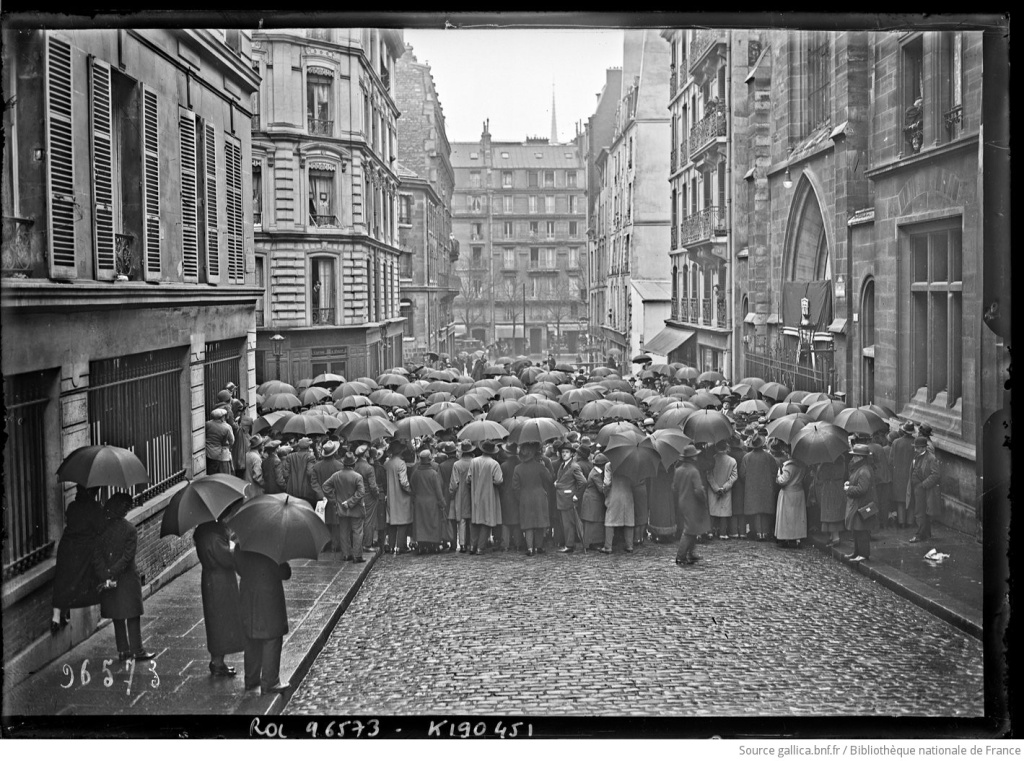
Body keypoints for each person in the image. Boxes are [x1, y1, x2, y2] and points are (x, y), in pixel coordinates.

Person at [92, 492, 154, 662]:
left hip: (108, 578)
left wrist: (106, 574)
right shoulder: (130, 530)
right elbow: (127, 558)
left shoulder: (101, 529)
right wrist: (114, 572)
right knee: (132, 614)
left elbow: (96, 555)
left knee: (117, 615)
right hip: (127, 578)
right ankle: (137, 650)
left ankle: (123, 650)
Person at [193, 509, 245, 677]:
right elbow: (227, 558)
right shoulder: (213, 537)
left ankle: (218, 661)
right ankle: (217, 662)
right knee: (220, 623)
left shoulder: (203, 532)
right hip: (220, 583)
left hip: (212, 581)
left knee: (216, 621)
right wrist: (235, 545)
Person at [234, 547, 292, 695]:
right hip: (268, 595)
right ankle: (270, 681)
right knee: (272, 636)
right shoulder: (273, 547)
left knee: (251, 636)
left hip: (248, 593)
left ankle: (251, 679)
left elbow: (238, 568)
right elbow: (285, 573)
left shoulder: (242, 544)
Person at [51, 485, 105, 634]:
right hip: (83, 550)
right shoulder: (95, 508)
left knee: (62, 579)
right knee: (82, 581)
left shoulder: (72, 506)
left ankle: (56, 616)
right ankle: (69, 609)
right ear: (92, 492)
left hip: (67, 546)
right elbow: (100, 528)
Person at [321, 451, 366, 563]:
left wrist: (334, 500)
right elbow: (361, 493)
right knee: (357, 532)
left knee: (344, 531)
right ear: (353, 464)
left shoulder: (336, 475)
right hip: (355, 508)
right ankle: (357, 556)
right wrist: (350, 502)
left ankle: (346, 554)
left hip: (341, 508)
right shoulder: (357, 476)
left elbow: (325, 487)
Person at [511, 441, 554, 556]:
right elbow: (550, 480)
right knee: (540, 522)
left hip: (525, 497)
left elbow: (515, 487)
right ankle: (539, 546)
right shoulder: (540, 466)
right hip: (540, 496)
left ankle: (530, 548)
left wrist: (520, 497)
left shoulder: (517, 468)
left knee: (528, 524)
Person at [673, 445, 709, 565]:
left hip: (682, 501)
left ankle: (691, 553)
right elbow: (698, 490)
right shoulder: (693, 471)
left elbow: (674, 488)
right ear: (693, 457)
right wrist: (703, 499)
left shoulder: (678, 470)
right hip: (693, 503)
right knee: (689, 530)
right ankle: (681, 555)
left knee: (692, 528)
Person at [844, 444, 878, 562]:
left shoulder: (863, 471)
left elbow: (862, 489)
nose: (853, 458)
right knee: (857, 529)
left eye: (855, 456)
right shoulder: (861, 468)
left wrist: (849, 489)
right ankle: (856, 552)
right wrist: (850, 484)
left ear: (860, 457)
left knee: (862, 530)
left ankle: (863, 554)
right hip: (859, 504)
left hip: (863, 504)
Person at [468, 440, 503, 555]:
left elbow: (468, 479)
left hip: (475, 494)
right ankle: (480, 547)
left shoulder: (473, 462)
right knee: (486, 521)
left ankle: (472, 546)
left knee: (475, 520)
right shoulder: (494, 464)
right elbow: (498, 480)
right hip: (489, 495)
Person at [309, 440, 344, 552]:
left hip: (322, 499)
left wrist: (321, 495)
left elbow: (314, 483)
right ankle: (335, 544)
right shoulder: (339, 466)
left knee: (323, 521)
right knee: (336, 522)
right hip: (335, 497)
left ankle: (325, 544)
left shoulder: (317, 466)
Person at [409, 449, 447, 554]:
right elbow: (438, 490)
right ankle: (433, 544)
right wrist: (442, 502)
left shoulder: (416, 473)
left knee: (420, 524)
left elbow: (412, 486)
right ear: (430, 459)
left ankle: (421, 545)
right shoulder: (433, 473)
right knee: (433, 523)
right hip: (432, 502)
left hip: (419, 502)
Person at [739, 436, 775, 541]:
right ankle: (765, 532)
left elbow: (742, 474)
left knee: (756, 511)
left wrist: (749, 482)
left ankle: (758, 532)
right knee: (765, 510)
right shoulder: (769, 457)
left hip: (751, 488)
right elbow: (774, 471)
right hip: (766, 487)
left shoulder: (747, 457)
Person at [552, 442, 586, 553]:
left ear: (571, 454)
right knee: (565, 523)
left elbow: (583, 482)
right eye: (562, 452)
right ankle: (568, 543)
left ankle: (569, 545)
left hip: (568, 498)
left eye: (566, 452)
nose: (564, 454)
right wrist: (558, 483)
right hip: (562, 498)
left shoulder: (574, 466)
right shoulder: (564, 465)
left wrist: (577, 495)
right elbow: (564, 479)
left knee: (568, 523)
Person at [907, 437, 940, 543]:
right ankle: (926, 533)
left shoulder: (931, 458)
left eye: (917, 447)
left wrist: (923, 485)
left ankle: (920, 535)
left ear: (923, 448)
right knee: (922, 511)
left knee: (920, 512)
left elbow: (936, 474)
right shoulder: (917, 456)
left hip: (924, 489)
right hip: (917, 487)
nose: (915, 449)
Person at [384, 440, 414, 554]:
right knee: (403, 522)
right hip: (401, 496)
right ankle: (401, 546)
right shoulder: (401, 463)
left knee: (392, 522)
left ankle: (391, 546)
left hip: (391, 495)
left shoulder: (387, 463)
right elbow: (404, 482)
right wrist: (410, 491)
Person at [352, 444, 381, 554]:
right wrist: (377, 495)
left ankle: (359, 544)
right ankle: (367, 544)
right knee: (369, 521)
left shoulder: (354, 465)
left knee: (358, 521)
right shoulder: (369, 468)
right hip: (369, 496)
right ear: (364, 454)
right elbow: (373, 486)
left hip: (357, 496)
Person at [814, 453, 848, 547]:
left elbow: (821, 476)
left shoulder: (827, 464)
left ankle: (835, 538)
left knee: (830, 513)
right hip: (838, 488)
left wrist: (820, 466)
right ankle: (833, 537)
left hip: (829, 489)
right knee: (835, 513)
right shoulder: (842, 461)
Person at [775, 452, 808, 549]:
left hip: (788, 492)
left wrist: (778, 475)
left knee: (787, 516)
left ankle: (787, 537)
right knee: (798, 516)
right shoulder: (802, 465)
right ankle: (797, 537)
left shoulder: (788, 467)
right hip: (799, 492)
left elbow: (782, 481)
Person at [706, 439, 738, 540]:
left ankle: (710, 532)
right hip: (726, 490)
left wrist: (716, 488)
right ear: (726, 448)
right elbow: (734, 476)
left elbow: (709, 475)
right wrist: (725, 487)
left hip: (713, 489)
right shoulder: (732, 461)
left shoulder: (712, 459)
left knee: (712, 510)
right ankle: (722, 533)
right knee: (724, 512)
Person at [601, 460, 635, 554]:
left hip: (614, 493)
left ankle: (608, 547)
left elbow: (607, 483)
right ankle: (629, 546)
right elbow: (635, 481)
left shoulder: (609, 465)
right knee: (629, 519)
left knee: (610, 519)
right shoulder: (632, 464)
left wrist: (605, 492)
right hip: (628, 494)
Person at [448, 440, 476, 552]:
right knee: (472, 519)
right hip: (473, 492)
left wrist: (451, 493)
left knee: (462, 520)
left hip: (460, 493)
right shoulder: (475, 462)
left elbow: (454, 482)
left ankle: (463, 544)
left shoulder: (457, 464)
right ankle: (472, 543)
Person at [889, 421, 916, 529]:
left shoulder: (896, 442)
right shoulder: (915, 443)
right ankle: (910, 521)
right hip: (911, 475)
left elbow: (891, 461)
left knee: (900, 500)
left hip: (898, 475)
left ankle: (901, 522)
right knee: (911, 499)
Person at [580, 452, 609, 549]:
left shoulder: (595, 471)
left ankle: (592, 542)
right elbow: (601, 488)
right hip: (593, 500)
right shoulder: (596, 474)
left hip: (592, 499)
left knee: (593, 520)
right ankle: (592, 543)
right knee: (593, 521)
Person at [498, 441, 523, 552]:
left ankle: (505, 544)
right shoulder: (521, 463)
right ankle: (518, 543)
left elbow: (501, 482)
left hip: (506, 495)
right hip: (518, 495)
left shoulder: (504, 465)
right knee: (517, 521)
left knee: (506, 522)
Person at [280, 437, 317, 503]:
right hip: (305, 490)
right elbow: (310, 473)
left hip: (291, 489)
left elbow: (285, 474)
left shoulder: (290, 456)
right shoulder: (311, 457)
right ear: (308, 447)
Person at [205, 408, 235, 475]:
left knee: (211, 474)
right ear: (221, 417)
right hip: (220, 453)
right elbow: (232, 441)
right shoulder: (227, 427)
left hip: (208, 453)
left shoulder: (207, 424)